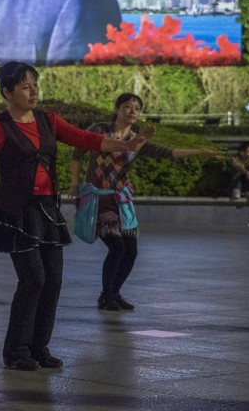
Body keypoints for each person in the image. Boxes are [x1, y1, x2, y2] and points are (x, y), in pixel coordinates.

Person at [0, 62, 148, 371]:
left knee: (53, 280)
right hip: (15, 210)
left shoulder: (48, 120)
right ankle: (16, 350)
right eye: (25, 87)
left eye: (35, 85)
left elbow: (85, 139)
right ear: (7, 92)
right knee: (33, 279)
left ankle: (39, 347)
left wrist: (125, 145)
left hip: (47, 208)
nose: (33, 91)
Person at [69, 93, 223, 312]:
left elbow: (168, 152)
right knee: (116, 247)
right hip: (98, 199)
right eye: (127, 106)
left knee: (130, 251)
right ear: (117, 109)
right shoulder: (100, 130)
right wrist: (75, 184)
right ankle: (107, 296)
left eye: (137, 108)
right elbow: (77, 154)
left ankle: (112, 294)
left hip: (121, 200)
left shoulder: (138, 141)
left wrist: (200, 152)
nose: (132, 111)